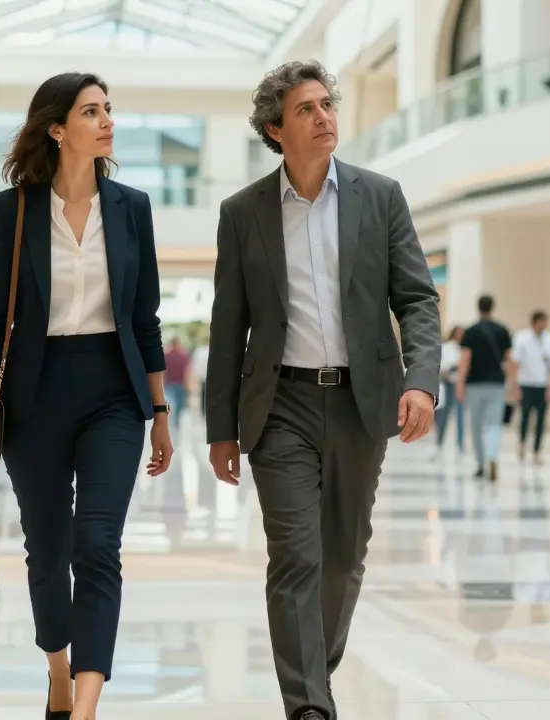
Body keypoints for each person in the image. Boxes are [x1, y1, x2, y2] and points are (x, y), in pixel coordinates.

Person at [205, 60, 440, 720]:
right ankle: (309, 707)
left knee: (342, 560)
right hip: (280, 406)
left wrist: (422, 381)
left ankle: (316, 674)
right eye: (305, 109)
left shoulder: (380, 196)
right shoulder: (243, 213)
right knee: (295, 558)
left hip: (362, 404)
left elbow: (417, 298)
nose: (323, 117)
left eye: (327, 105)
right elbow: (229, 325)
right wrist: (221, 428)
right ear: (275, 130)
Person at [0, 72, 174, 720]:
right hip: (36, 390)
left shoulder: (132, 207)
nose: (107, 121)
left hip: (114, 391)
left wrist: (159, 412)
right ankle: (57, 669)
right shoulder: (15, 210)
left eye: (108, 109)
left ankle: (84, 707)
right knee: (48, 552)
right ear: (56, 129)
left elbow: (145, 320)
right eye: (90, 111)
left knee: (98, 543)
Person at [455, 295, 514, 482]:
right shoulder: (502, 331)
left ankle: (480, 464)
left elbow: (465, 360)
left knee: (476, 425)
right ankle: (493, 456)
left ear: (478, 307)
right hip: (496, 384)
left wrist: (459, 385)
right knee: (494, 424)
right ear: (492, 307)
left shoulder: (471, 332)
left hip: (474, 384)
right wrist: (513, 384)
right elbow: (509, 360)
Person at [512, 310, 550, 464]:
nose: (543, 325)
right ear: (534, 323)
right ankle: (522, 443)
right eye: (541, 322)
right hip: (526, 383)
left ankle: (537, 450)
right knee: (525, 416)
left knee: (541, 419)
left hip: (542, 384)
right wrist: (515, 386)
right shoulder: (522, 338)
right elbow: (515, 362)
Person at [434, 325, 466, 457]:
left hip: (460, 384)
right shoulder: (446, 347)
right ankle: (439, 443)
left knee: (460, 416)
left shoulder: (464, 348)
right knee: (443, 415)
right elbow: (442, 366)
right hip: (447, 384)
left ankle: (460, 446)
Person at [163, 337, 190, 431]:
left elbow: (163, 371)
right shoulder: (183, 355)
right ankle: (176, 422)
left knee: (170, 403)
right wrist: (187, 385)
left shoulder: (166, 355)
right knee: (179, 405)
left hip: (169, 383)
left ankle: (170, 420)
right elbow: (187, 371)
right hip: (180, 384)